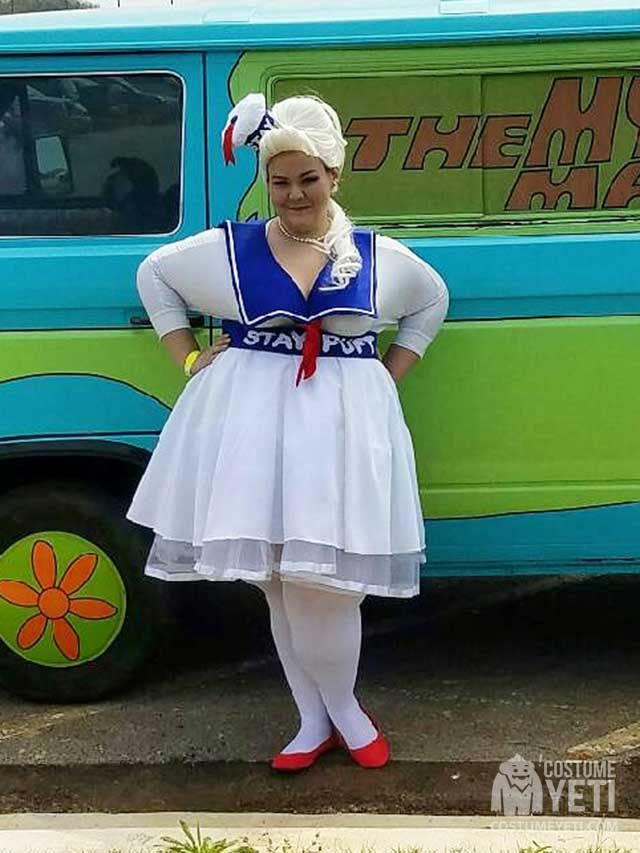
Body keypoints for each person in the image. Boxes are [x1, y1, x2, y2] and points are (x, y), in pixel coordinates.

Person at [126, 92, 449, 772]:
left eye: (308, 178)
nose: (294, 193)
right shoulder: (230, 249)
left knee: (326, 586)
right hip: (254, 435)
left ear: (334, 175)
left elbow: (432, 301)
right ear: (265, 182)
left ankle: (345, 712)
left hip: (336, 442)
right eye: (279, 181)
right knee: (277, 580)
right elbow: (152, 275)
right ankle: (315, 719)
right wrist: (187, 354)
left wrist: (387, 373)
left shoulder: (379, 256)